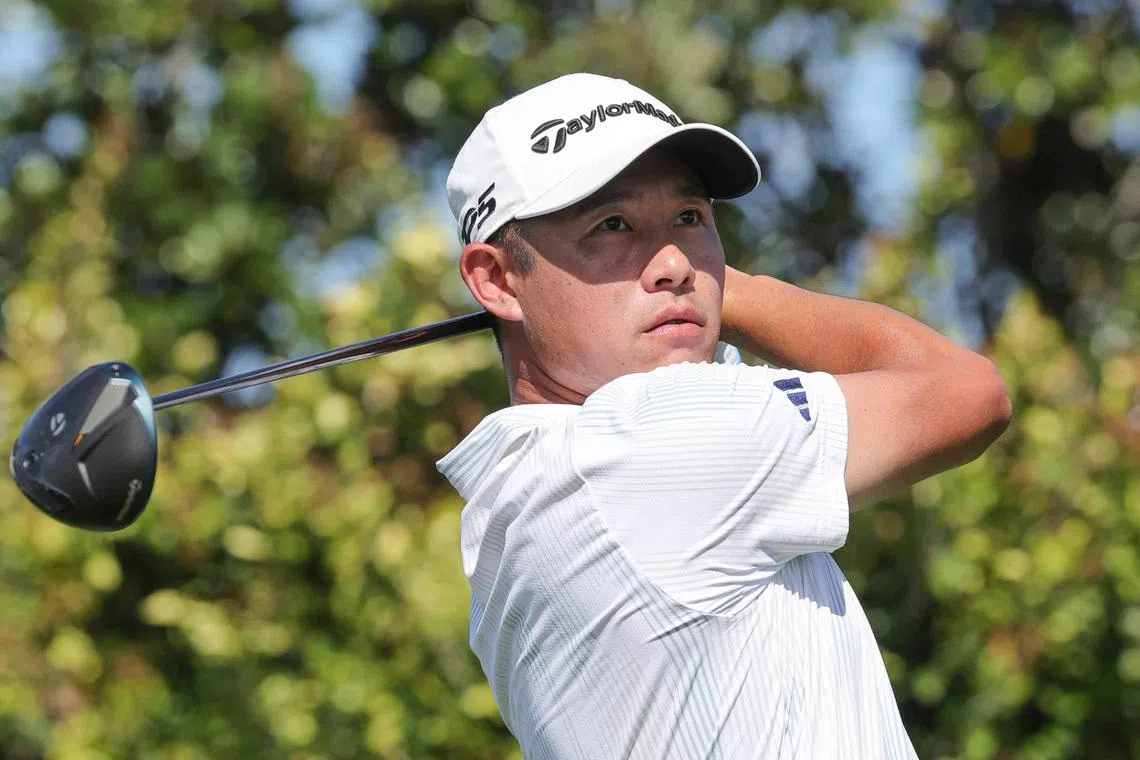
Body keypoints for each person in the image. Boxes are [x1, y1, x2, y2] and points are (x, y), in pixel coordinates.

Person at [437, 73, 1011, 759]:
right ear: (498, 280)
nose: (674, 263)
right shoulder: (645, 444)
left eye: (690, 218)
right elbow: (967, 391)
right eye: (612, 225)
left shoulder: (522, 488)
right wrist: (723, 291)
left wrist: (678, 291)